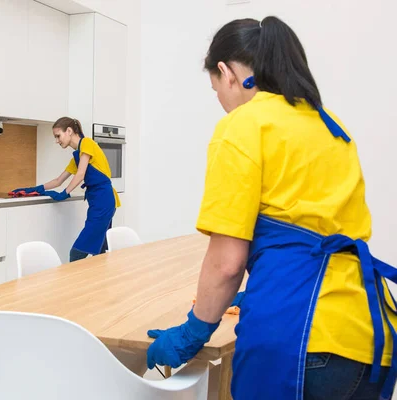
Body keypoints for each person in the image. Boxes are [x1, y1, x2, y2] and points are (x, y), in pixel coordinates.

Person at [145, 16, 397, 400]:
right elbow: (318, 232)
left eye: (215, 89)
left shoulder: (244, 125)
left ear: (227, 72)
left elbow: (227, 261)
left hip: (299, 339)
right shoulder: (332, 127)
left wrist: (194, 330)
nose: (221, 102)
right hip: (369, 332)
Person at [12, 117, 120, 262]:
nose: (57, 141)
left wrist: (65, 193)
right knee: (99, 254)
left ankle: (75, 283)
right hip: (98, 202)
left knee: (77, 252)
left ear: (69, 131)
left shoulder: (87, 143)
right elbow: (58, 180)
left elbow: (81, 174)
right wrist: (34, 189)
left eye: (58, 136)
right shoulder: (77, 156)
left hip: (104, 201)